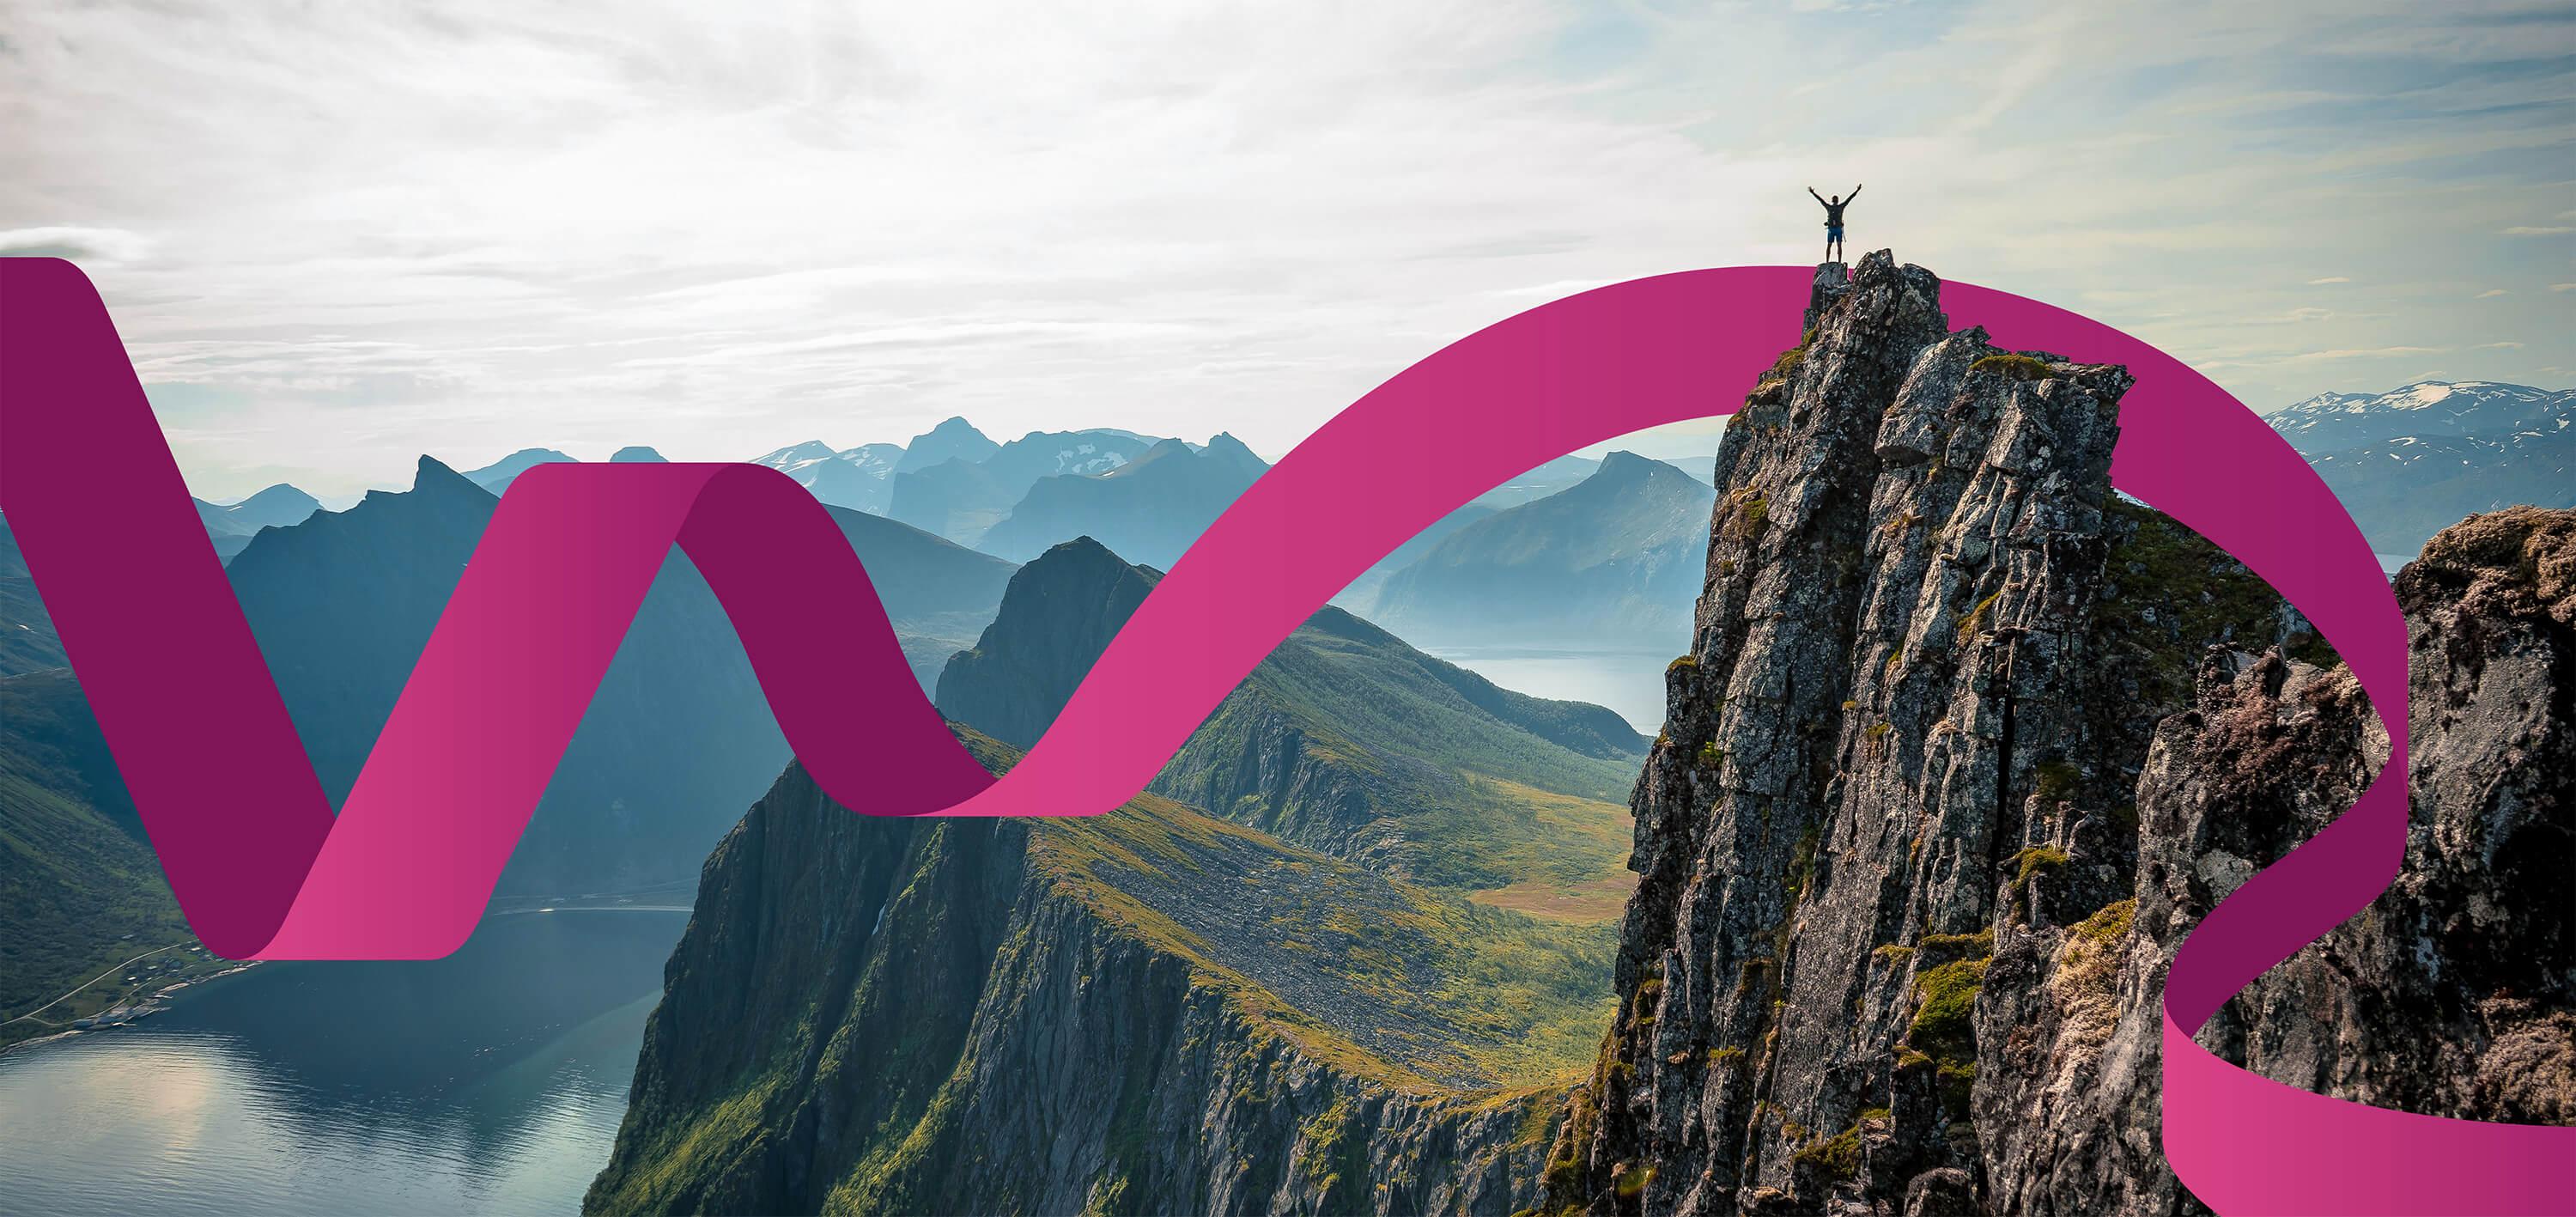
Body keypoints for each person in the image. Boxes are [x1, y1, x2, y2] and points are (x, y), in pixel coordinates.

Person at [1808, 184, 1862, 261]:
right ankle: (1839, 261)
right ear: (1837, 201)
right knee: (1839, 245)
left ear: (1832, 200)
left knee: (1829, 245)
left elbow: (1821, 200)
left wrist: (1813, 193)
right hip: (1838, 229)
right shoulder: (1841, 207)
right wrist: (1857, 190)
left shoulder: (1829, 207)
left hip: (1831, 229)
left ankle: (1827, 261)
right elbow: (1850, 198)